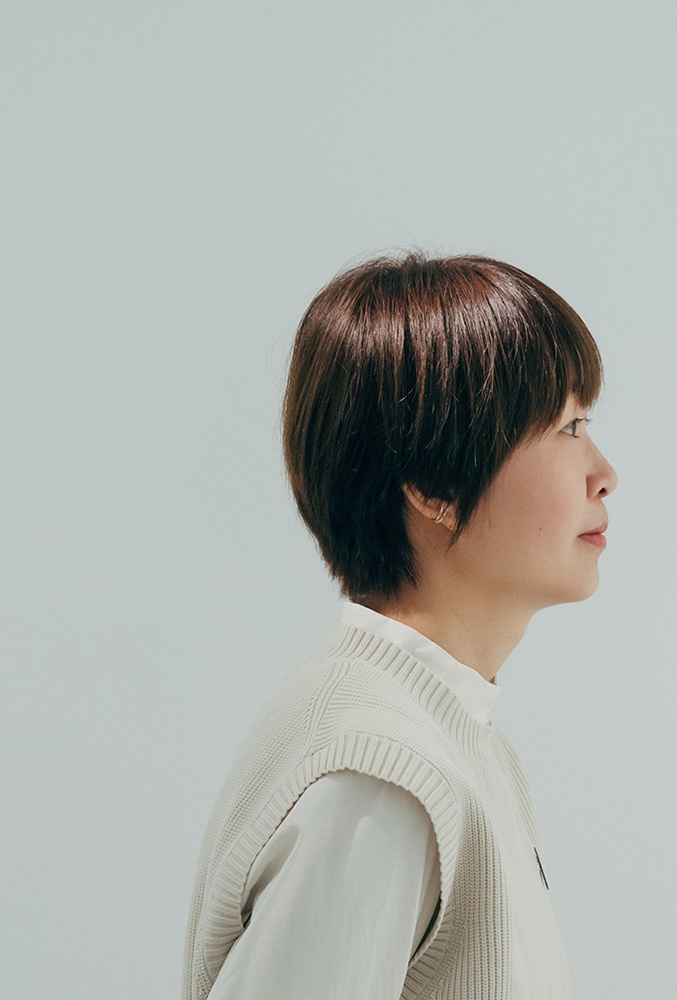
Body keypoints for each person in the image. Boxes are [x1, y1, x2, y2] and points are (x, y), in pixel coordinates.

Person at [182, 252, 618, 1000]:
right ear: (436, 486)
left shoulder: (450, 738)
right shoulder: (381, 774)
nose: (605, 470)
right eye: (569, 425)